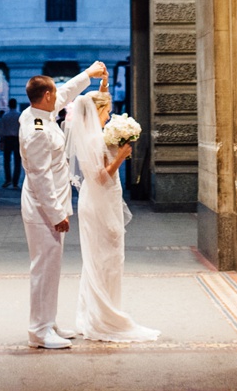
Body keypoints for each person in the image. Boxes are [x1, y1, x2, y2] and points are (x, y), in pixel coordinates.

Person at [18, 60, 107, 350]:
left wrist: (89, 75)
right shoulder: (38, 131)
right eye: (53, 93)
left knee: (51, 268)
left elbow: (67, 92)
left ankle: (49, 323)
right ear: (46, 97)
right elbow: (40, 177)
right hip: (44, 210)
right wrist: (57, 214)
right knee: (44, 270)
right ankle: (38, 332)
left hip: (48, 207)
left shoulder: (38, 114)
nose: (58, 97)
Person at [63, 80, 160, 343]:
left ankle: (93, 315)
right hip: (99, 203)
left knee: (99, 260)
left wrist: (104, 83)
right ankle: (106, 318)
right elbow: (101, 178)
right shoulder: (94, 139)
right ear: (98, 112)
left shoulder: (94, 135)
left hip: (98, 202)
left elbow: (99, 174)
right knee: (107, 259)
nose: (110, 114)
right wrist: (121, 157)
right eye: (107, 111)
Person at [0, 99, 21, 187]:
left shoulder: (5, 116)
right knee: (17, 161)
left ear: (9, 105)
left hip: (7, 139)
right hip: (17, 139)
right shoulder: (20, 116)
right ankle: (15, 182)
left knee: (7, 161)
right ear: (16, 105)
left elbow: (1, 129)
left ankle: (8, 179)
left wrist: (1, 140)